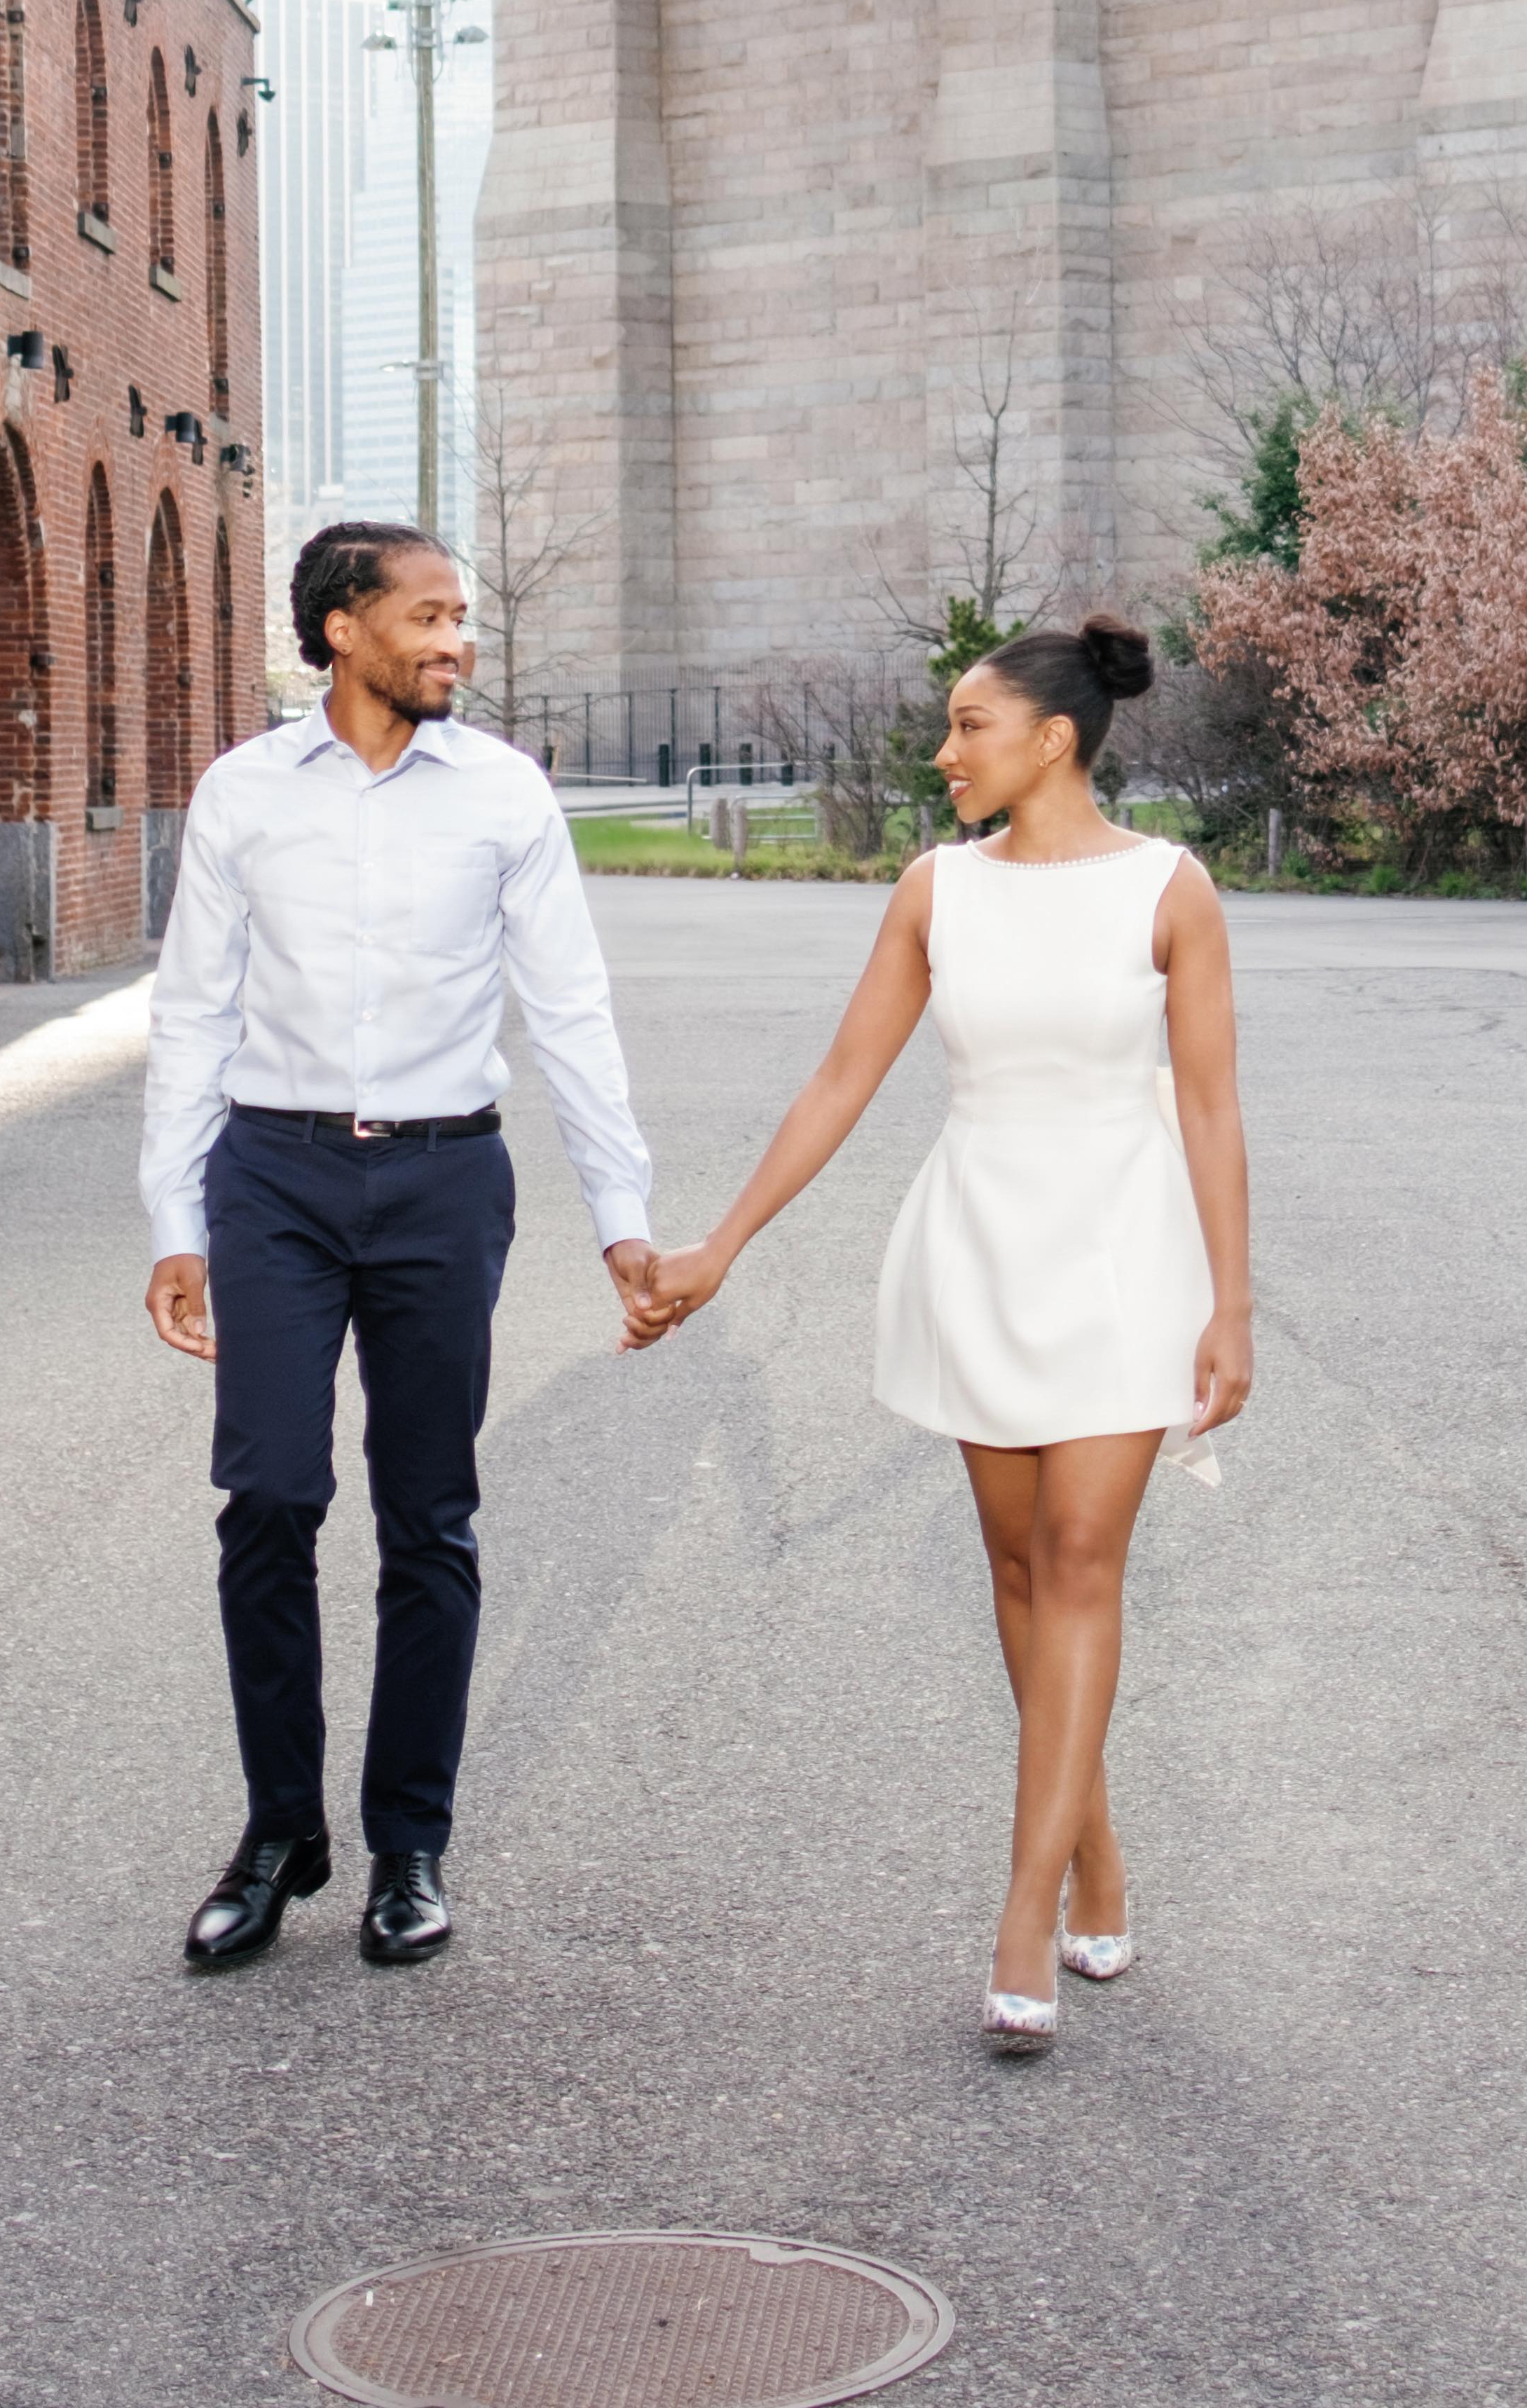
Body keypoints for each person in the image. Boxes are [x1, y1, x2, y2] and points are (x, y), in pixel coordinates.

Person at [626, 616, 1251, 2053]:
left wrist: (1232, 1302)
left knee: (1082, 1560)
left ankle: (1023, 1917)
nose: (943, 751)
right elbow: (841, 1080)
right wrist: (722, 1243)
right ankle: (1093, 1856)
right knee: (1020, 1570)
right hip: (978, 1245)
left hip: (1124, 1251)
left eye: (969, 725)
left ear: (1052, 738)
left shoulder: (1171, 889)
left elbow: (1213, 1105)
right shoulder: (934, 890)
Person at [141, 519, 660, 1977]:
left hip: (443, 1181)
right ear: (341, 629)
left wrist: (621, 1214)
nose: (456, 640)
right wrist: (175, 1220)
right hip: (274, 1176)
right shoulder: (244, 793)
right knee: (268, 1498)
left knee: (429, 1516)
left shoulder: (504, 794)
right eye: (427, 615)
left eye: (461, 615)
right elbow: (193, 1010)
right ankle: (278, 1833)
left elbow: (569, 1008)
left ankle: (408, 1845)